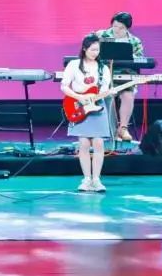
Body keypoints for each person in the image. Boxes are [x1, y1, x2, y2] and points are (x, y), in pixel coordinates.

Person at [61, 33, 112, 192]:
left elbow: (104, 88)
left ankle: (96, 180)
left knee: (98, 142)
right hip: (78, 105)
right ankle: (86, 179)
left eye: (97, 50)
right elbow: (64, 86)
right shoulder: (74, 65)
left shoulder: (103, 68)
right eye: (92, 50)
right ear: (84, 49)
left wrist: (105, 93)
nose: (95, 53)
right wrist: (80, 98)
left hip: (97, 107)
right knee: (83, 143)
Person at [95, 11, 145, 142]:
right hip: (105, 74)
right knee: (108, 96)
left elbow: (140, 59)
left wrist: (131, 56)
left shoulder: (134, 41)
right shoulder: (101, 35)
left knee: (128, 95)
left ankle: (123, 128)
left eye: (121, 28)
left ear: (127, 28)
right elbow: (88, 49)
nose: (116, 30)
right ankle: (110, 130)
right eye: (115, 26)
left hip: (125, 74)